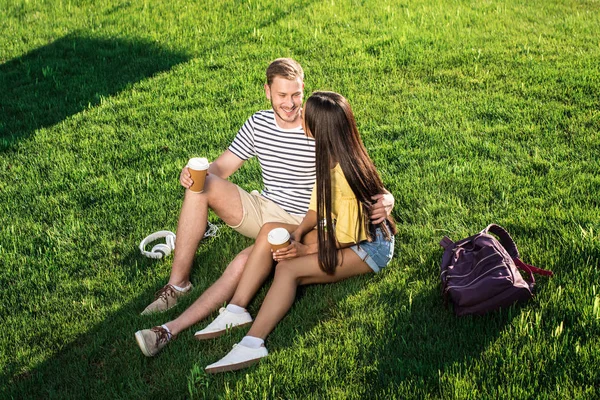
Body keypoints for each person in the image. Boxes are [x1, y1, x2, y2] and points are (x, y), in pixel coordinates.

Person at [135, 59, 395, 357]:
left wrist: (387, 199)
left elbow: (357, 174)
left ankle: (176, 327)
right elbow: (221, 168)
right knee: (201, 183)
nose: (290, 104)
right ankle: (177, 285)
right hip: (266, 208)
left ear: (304, 91)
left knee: (243, 264)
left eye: (296, 95)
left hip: (306, 222)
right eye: (282, 95)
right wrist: (194, 174)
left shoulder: (320, 127)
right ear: (267, 91)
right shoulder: (258, 123)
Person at [197, 91, 397, 373]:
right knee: (269, 231)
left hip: (367, 245)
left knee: (288, 269)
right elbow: (318, 202)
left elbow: (349, 235)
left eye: (306, 116)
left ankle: (253, 343)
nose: (300, 115)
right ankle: (236, 310)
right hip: (340, 229)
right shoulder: (327, 152)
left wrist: (304, 249)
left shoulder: (344, 175)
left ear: (317, 128)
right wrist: (299, 231)